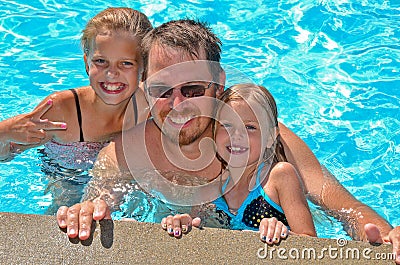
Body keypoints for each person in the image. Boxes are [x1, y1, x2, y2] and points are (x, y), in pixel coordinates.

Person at [56, 19, 400, 263]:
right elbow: (95, 205)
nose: (179, 106)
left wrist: (387, 237)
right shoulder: (125, 157)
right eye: (163, 91)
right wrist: (85, 212)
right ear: (145, 89)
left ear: (218, 84)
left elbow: (343, 206)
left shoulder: (260, 135)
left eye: (193, 89)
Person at [0, 7, 152, 213]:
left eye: (126, 63)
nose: (112, 73)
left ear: (144, 69)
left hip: (119, 186)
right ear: (86, 64)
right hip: (68, 178)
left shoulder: (151, 105)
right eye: (100, 61)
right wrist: (6, 131)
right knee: (64, 209)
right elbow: (7, 156)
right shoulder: (61, 110)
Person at [161, 83, 316, 242]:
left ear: (270, 137)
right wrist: (182, 223)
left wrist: (283, 233)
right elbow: (194, 234)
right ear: (214, 132)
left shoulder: (280, 177)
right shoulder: (208, 192)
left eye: (250, 127)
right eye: (227, 125)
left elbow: (311, 241)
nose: (237, 134)